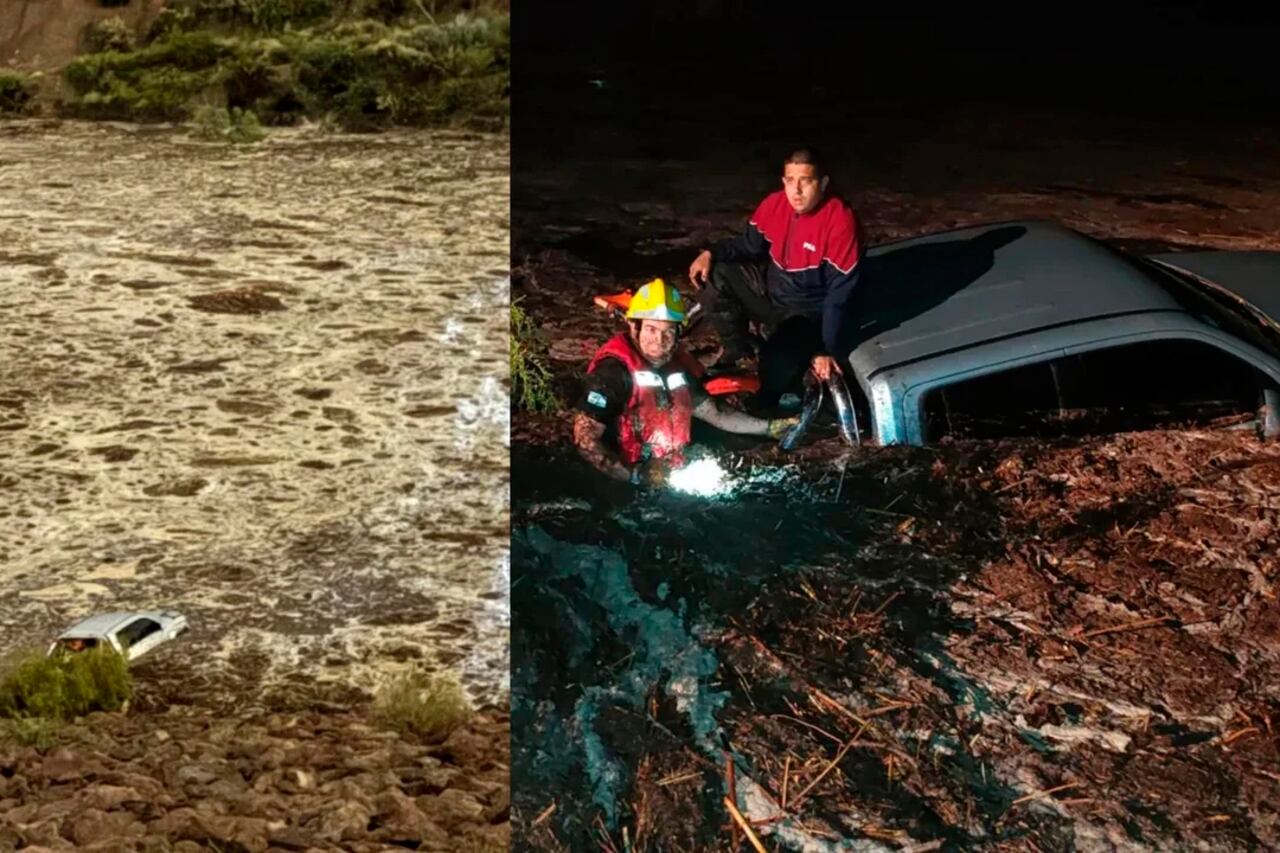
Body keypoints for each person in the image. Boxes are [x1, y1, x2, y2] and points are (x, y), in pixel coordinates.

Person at [573, 278, 798, 486]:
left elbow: (715, 412)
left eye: (668, 332)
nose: (659, 341)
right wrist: (635, 476)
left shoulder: (675, 367)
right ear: (635, 327)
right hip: (626, 479)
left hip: (669, 471)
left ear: (679, 332)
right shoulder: (613, 373)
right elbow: (585, 441)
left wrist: (769, 428)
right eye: (651, 329)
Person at [688, 146, 865, 404]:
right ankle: (738, 349)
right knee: (715, 274)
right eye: (791, 181)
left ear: (823, 183)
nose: (797, 191)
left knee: (775, 368)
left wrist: (826, 349)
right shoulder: (775, 205)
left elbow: (839, 297)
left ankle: (775, 380)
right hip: (770, 291)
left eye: (806, 181)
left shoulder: (840, 222)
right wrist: (711, 252)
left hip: (804, 311)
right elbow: (748, 246)